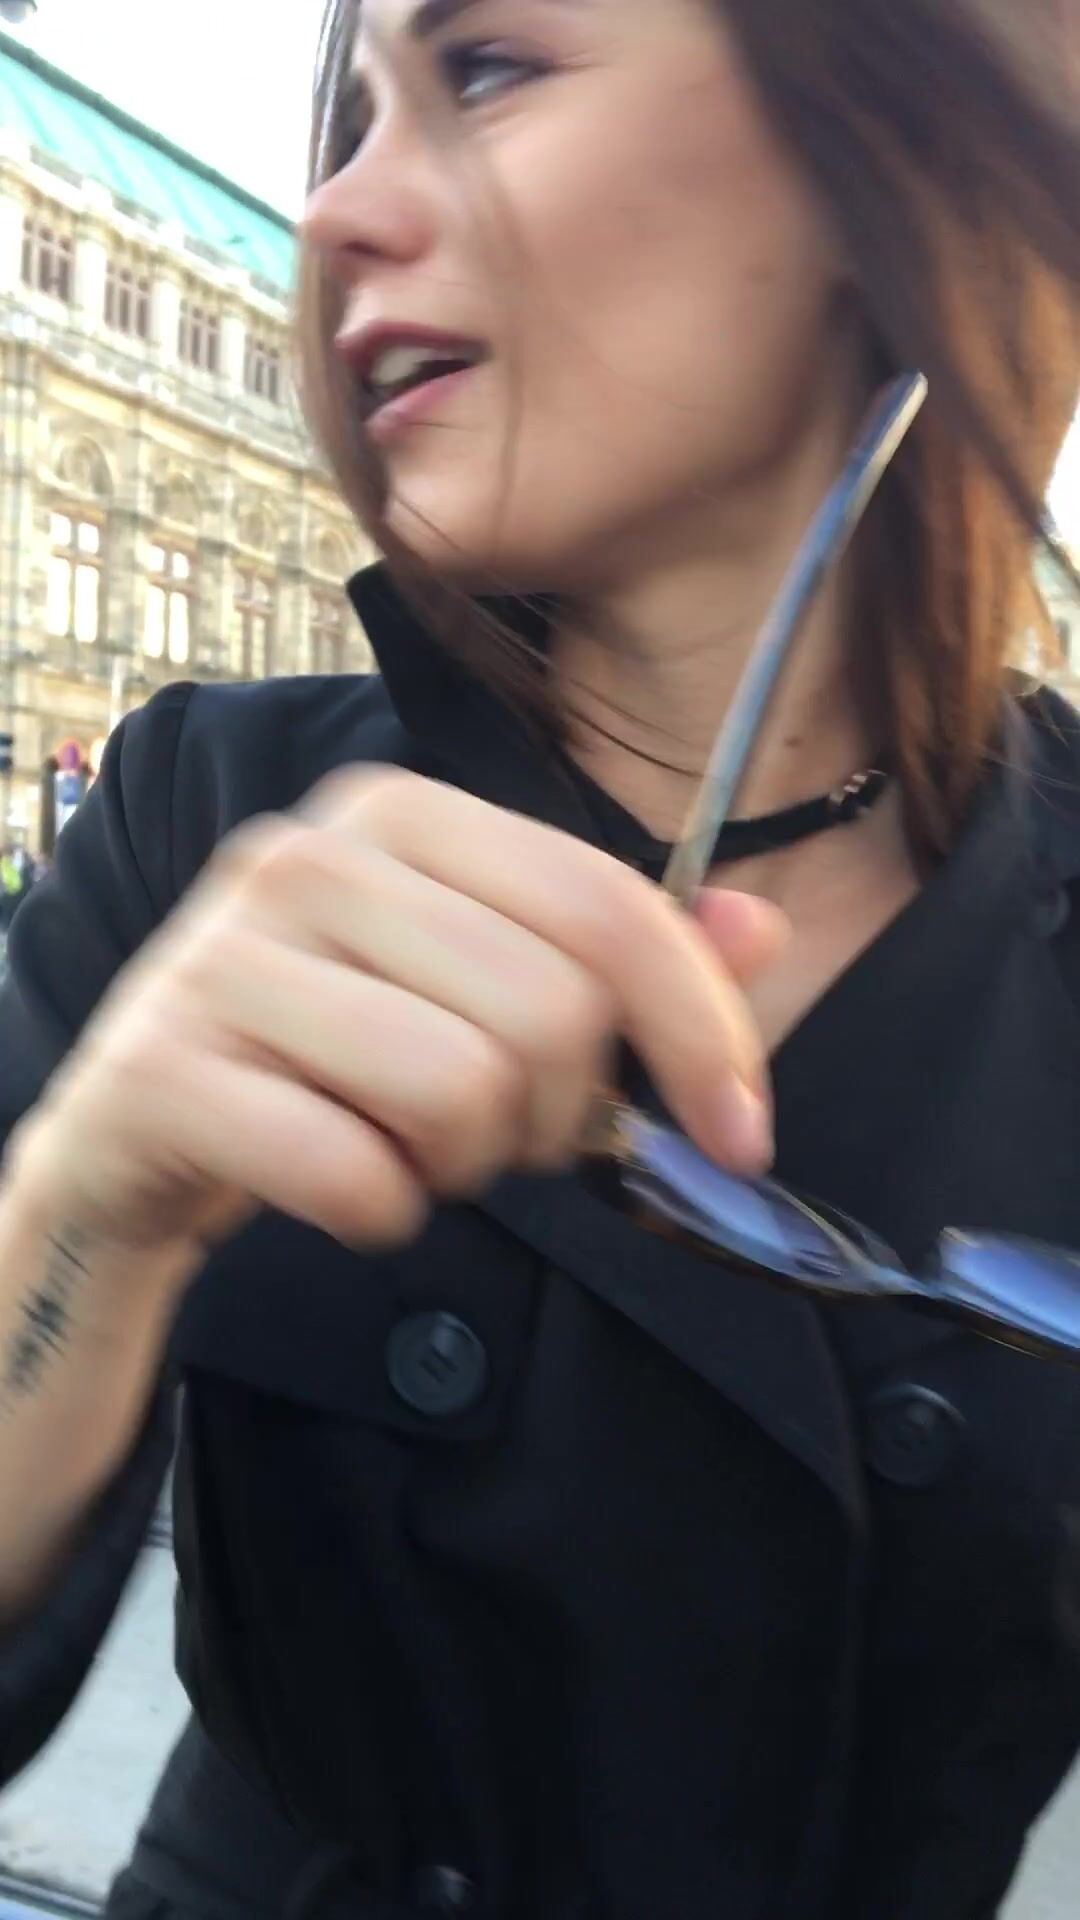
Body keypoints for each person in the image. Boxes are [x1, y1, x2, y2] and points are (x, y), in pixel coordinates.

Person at [1, 1, 1079, 1914]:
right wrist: (84, 1216)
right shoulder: (208, 805)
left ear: (890, 154)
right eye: (347, 120)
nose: (332, 209)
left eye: (488, 67)